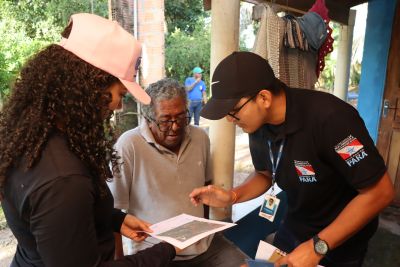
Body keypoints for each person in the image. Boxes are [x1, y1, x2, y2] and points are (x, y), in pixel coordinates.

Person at [0, 13, 176, 267]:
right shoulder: (63, 180)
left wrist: (114, 219)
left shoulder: (33, 137)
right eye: (120, 93)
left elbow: (55, 224)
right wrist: (164, 252)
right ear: (90, 85)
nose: (118, 105)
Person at [189, 51, 395, 267]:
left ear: (264, 98)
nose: (230, 120)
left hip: (341, 236)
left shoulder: (331, 118)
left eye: (233, 111)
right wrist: (233, 196)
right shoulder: (257, 126)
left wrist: (318, 246)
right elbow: (265, 174)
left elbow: (380, 192)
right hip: (296, 224)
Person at [107, 78, 248, 267]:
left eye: (181, 118)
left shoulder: (200, 138)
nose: (175, 127)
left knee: (245, 264)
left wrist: (205, 230)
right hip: (155, 251)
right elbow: (114, 211)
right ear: (148, 119)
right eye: (165, 121)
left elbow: (205, 190)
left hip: (203, 244)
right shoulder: (128, 145)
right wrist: (119, 260)